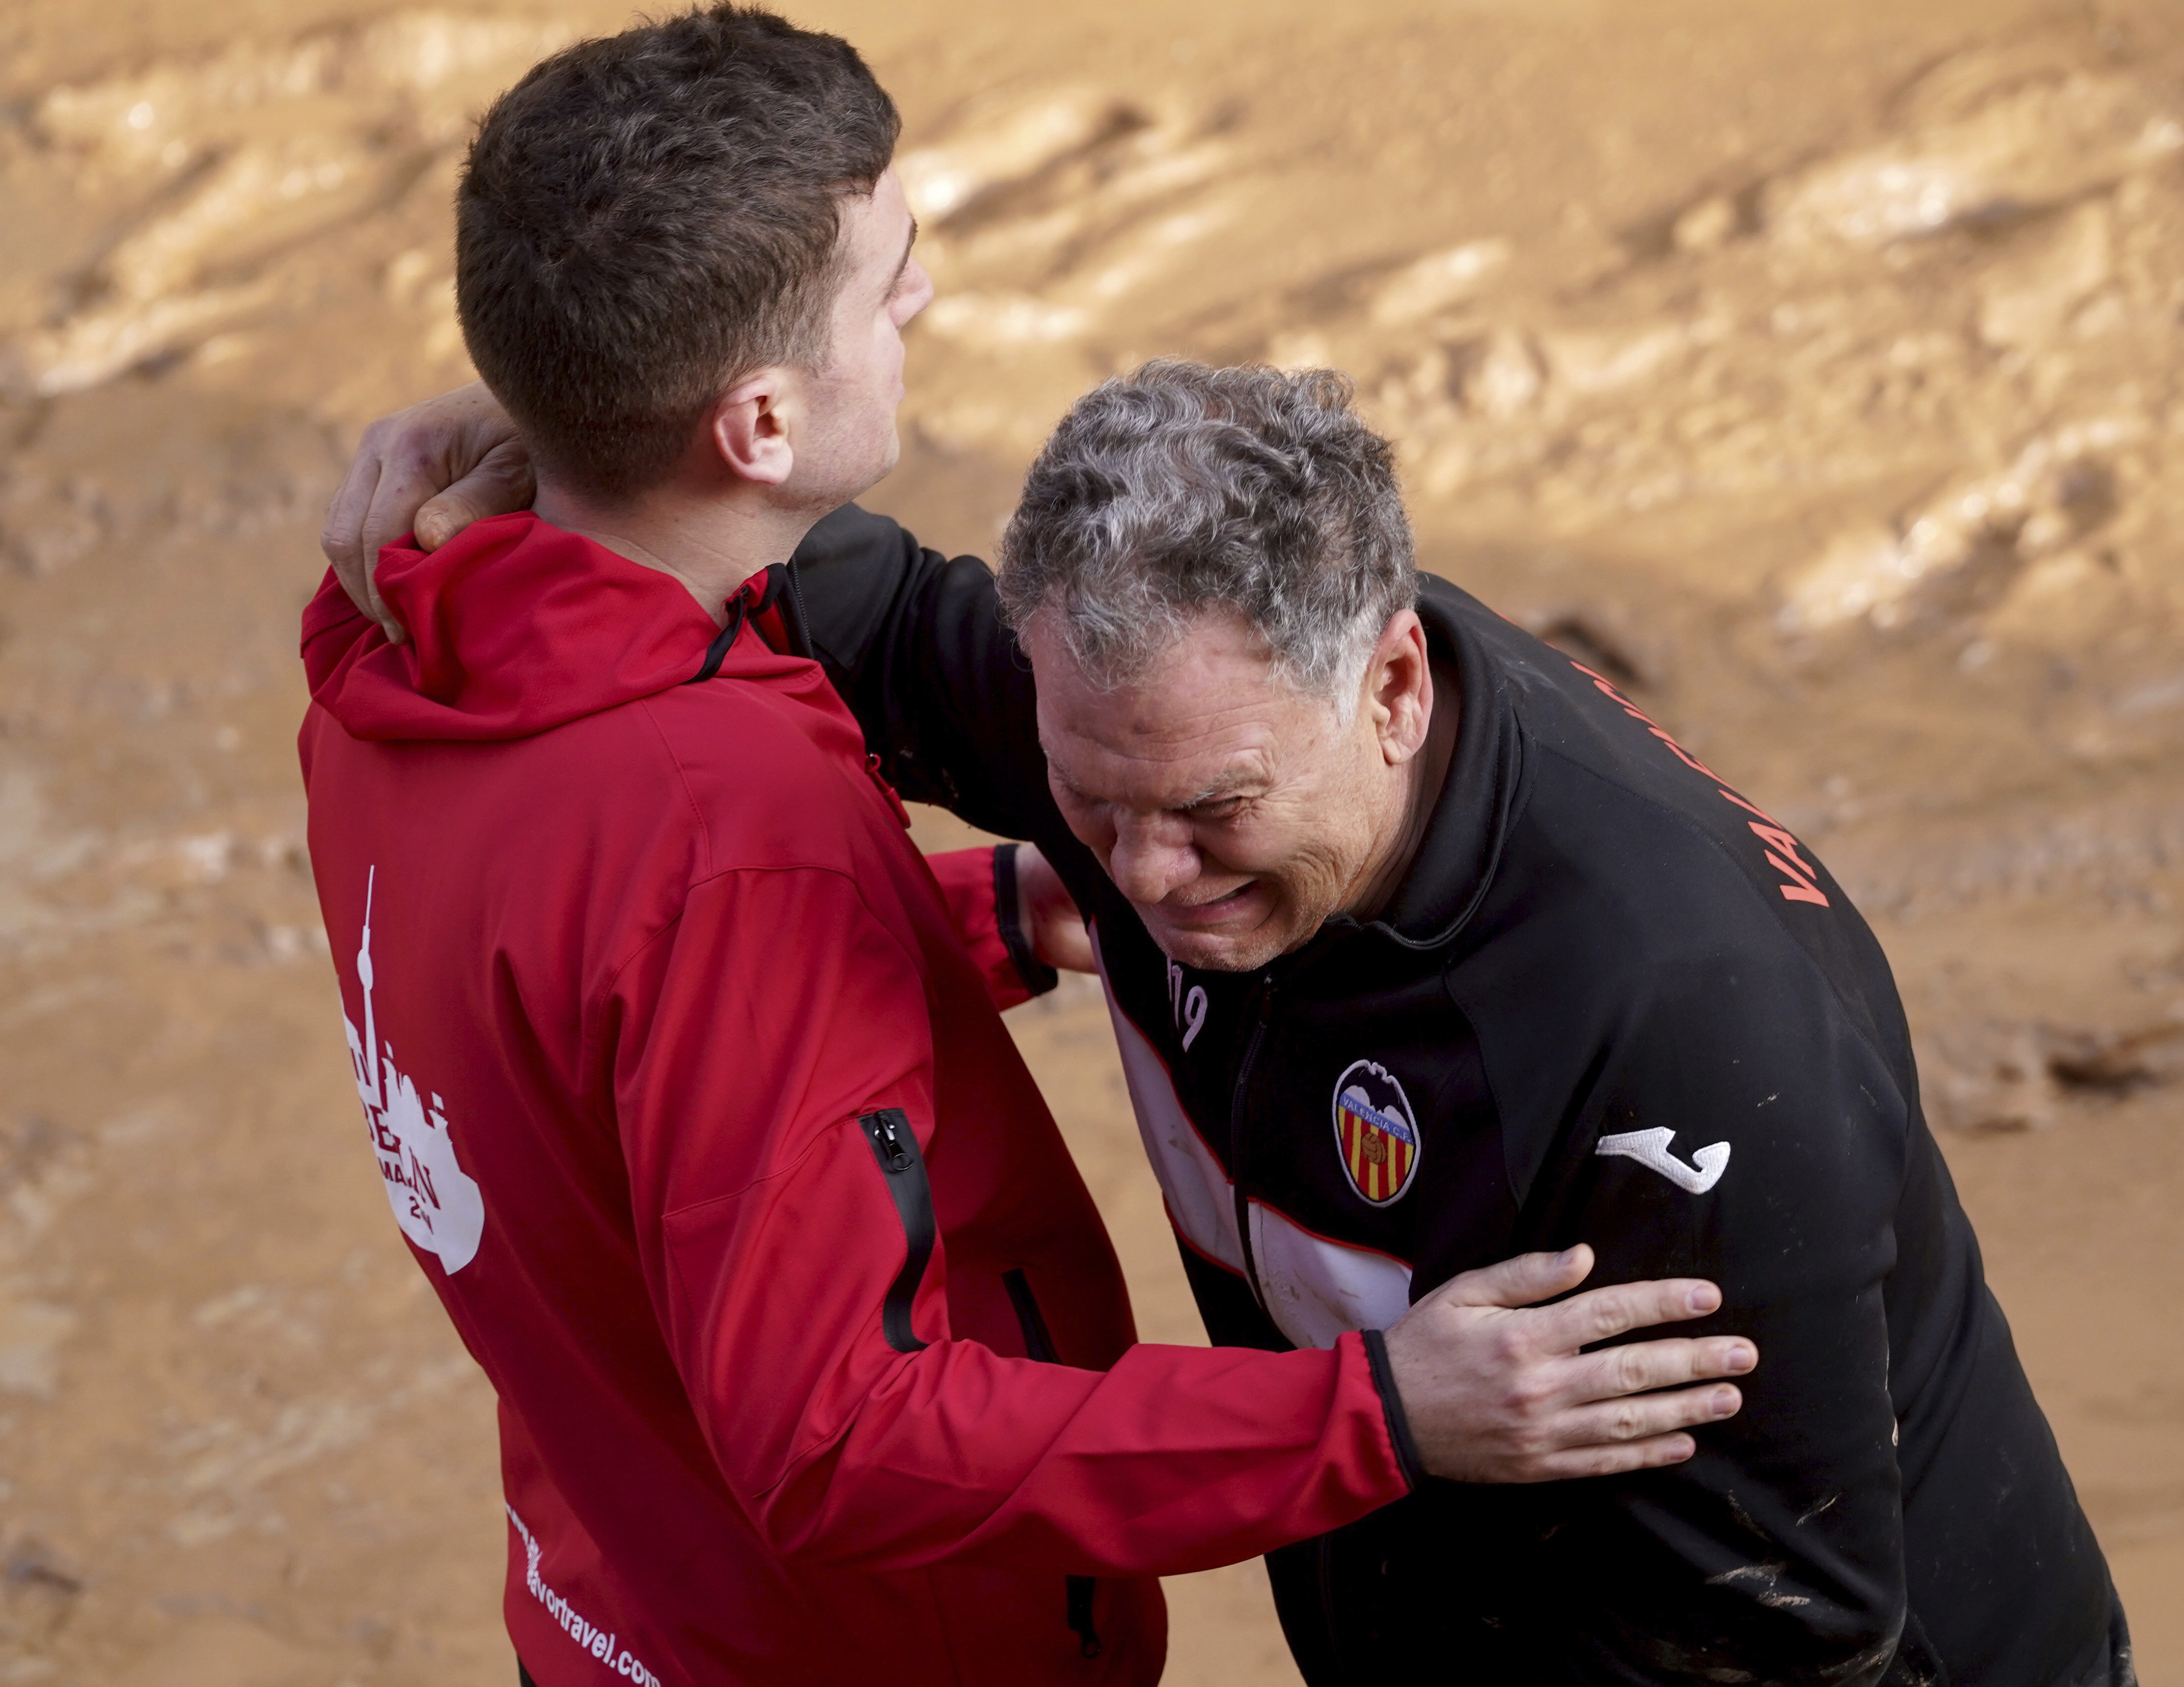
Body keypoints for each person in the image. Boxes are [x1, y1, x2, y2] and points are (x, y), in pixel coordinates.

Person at [298, 15, 1761, 1687]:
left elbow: (572, 1000)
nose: (917, 301)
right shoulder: (727, 840)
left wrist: (991, 906)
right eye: (884, 279)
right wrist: (1377, 1413)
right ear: (759, 425)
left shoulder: (392, 654)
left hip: (610, 1601)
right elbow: (839, 1436)